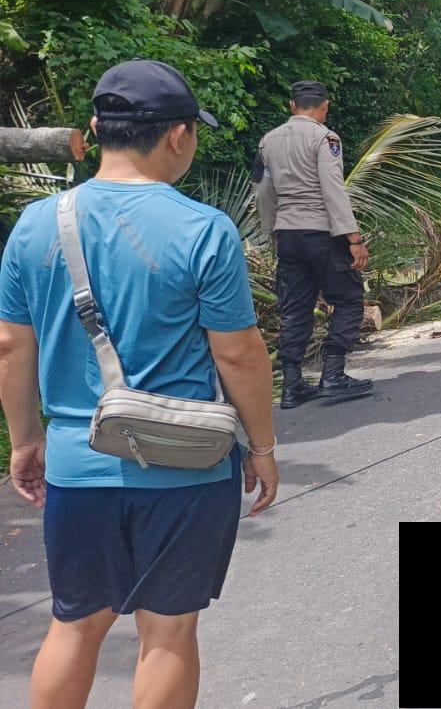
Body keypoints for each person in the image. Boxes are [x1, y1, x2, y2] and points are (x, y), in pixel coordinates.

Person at [0, 59, 278, 709]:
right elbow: (238, 355)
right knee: (169, 631)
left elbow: (11, 345)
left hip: (77, 461)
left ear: (97, 127)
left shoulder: (36, 225)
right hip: (185, 468)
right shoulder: (203, 229)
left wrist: (25, 440)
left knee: (74, 623)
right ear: (178, 135)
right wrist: (261, 446)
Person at [252, 80, 374, 409]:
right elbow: (332, 189)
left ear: (292, 106)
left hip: (288, 235)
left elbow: (263, 191)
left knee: (294, 308)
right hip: (323, 234)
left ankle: (292, 385)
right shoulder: (325, 138)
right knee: (348, 299)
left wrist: (272, 230)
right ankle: (332, 374)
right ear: (325, 106)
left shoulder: (267, 141)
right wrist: (354, 238)